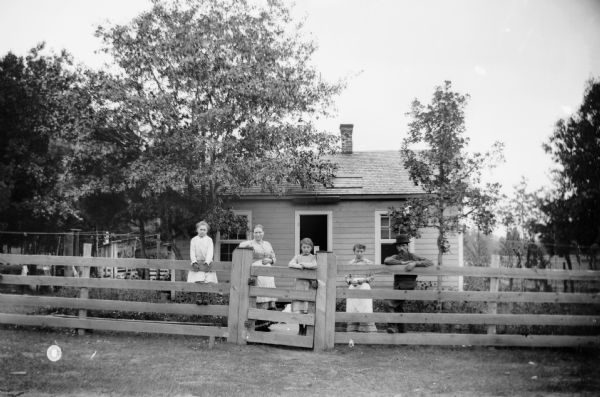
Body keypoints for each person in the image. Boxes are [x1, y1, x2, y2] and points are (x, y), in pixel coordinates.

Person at [383, 234, 433, 333]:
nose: (401, 248)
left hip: (407, 286)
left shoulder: (413, 256)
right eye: (399, 246)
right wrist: (401, 263)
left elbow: (429, 262)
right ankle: (402, 332)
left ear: (407, 246)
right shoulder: (396, 257)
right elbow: (386, 260)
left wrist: (415, 263)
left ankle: (392, 326)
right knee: (398, 308)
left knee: (388, 303)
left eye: (403, 245)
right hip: (397, 286)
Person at [239, 224, 277, 330]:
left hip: (268, 273)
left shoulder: (268, 244)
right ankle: (259, 324)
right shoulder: (250, 244)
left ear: (263, 233)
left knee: (268, 294)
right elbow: (240, 246)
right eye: (256, 232)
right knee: (260, 296)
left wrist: (270, 260)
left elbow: (274, 257)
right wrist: (249, 242)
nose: (258, 234)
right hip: (257, 271)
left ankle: (267, 323)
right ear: (253, 234)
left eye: (260, 232)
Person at [288, 238, 318, 335]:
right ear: (301, 247)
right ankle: (300, 327)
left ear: (311, 248)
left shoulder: (313, 257)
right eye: (304, 247)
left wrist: (303, 264)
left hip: (308, 284)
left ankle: (306, 328)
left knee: (307, 307)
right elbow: (290, 264)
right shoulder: (298, 257)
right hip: (300, 284)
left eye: (308, 247)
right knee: (300, 308)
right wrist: (298, 266)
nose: (306, 249)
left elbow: (315, 265)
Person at [345, 243, 377, 333]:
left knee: (365, 306)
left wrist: (362, 281)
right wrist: (350, 281)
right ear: (354, 252)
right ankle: (353, 328)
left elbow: (371, 277)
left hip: (364, 286)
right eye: (357, 251)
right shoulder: (350, 263)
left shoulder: (369, 263)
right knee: (352, 307)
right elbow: (347, 277)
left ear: (364, 252)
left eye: (361, 251)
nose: (359, 253)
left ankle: (366, 328)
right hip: (353, 287)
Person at [188, 221, 217, 305]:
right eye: (201, 229)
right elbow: (192, 252)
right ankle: (199, 296)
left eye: (204, 229)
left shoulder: (209, 240)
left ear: (207, 231)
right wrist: (194, 262)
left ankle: (206, 297)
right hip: (197, 262)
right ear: (197, 230)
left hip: (206, 262)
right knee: (198, 279)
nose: (202, 231)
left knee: (207, 280)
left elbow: (210, 251)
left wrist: (207, 262)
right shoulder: (194, 240)